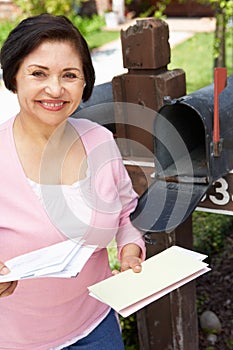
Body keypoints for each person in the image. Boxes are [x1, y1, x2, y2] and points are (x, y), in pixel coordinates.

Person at [0, 13, 146, 350]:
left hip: (96, 329)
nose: (55, 89)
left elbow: (126, 213)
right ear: (13, 78)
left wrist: (130, 249)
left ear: (85, 84)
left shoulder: (100, 142)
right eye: (38, 73)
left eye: (69, 75)